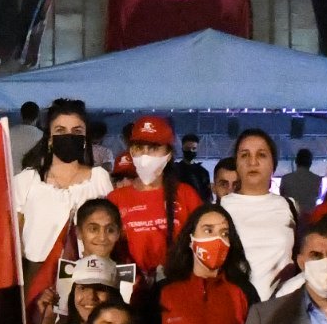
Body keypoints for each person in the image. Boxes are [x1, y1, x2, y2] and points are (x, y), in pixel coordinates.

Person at [14, 106, 111, 266]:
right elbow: (14, 235)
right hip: (37, 276)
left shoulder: (99, 178)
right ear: (50, 139)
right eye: (60, 130)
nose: (69, 136)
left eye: (77, 131)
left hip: (88, 274)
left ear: (85, 138)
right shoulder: (27, 180)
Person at [111, 115, 200, 272]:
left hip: (175, 287)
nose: (145, 155)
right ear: (131, 151)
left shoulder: (186, 195)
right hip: (131, 290)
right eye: (139, 148)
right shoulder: (116, 198)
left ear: (169, 153)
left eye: (153, 148)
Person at [219, 130, 300, 297]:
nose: (252, 162)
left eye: (261, 155)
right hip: (235, 308)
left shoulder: (289, 206)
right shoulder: (221, 208)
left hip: (280, 310)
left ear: (273, 164)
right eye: (245, 155)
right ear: (237, 163)